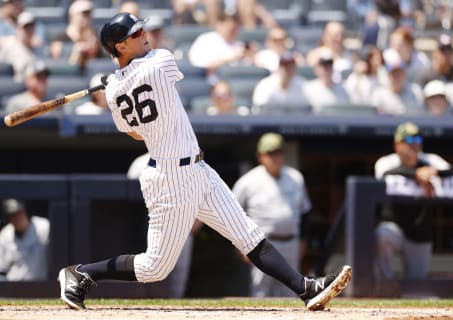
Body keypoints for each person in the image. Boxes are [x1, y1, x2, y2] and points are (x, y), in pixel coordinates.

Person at [57, 13, 351, 311]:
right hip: (171, 178)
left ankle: (305, 288)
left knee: (248, 235)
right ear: (120, 47)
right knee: (153, 268)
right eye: (135, 34)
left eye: (142, 29)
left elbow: (135, 134)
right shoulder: (160, 60)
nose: (145, 33)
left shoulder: (114, 92)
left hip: (197, 169)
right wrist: (125, 77)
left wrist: (120, 81)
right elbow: (148, 80)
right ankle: (82, 273)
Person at [232, 132, 312, 297]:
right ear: (260, 156)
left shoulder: (296, 177)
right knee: (260, 292)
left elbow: (305, 212)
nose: (275, 157)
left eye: (278, 152)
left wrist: (303, 241)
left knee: (292, 292)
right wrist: (239, 246)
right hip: (261, 245)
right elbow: (232, 215)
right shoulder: (247, 181)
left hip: (291, 242)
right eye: (270, 153)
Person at [374, 122, 453, 279]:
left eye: (418, 139)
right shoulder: (386, 162)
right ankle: (386, 281)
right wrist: (416, 174)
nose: (415, 144)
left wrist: (434, 171)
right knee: (382, 234)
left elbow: (452, 171)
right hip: (395, 227)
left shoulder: (430, 160)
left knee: (417, 286)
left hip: (420, 231)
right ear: (397, 145)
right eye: (409, 140)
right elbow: (383, 175)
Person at [127, 152, 204, 298]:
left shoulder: (191, 159)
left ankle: (175, 308)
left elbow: (204, 192)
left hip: (182, 223)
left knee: (179, 275)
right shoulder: (140, 162)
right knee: (148, 269)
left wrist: (197, 223)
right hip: (152, 224)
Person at [0, 198, 50, 281]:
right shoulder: (5, 234)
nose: (17, 219)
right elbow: (2, 268)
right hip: (13, 288)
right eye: (13, 216)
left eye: (19, 214)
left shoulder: (44, 227)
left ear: (26, 213)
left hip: (40, 286)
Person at [49, 0, 101, 68]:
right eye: (84, 13)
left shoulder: (96, 37)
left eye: (89, 13)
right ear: (72, 16)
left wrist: (94, 52)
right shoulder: (59, 39)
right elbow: (58, 67)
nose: (88, 17)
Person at [370, 49, 423, 115]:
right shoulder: (379, 93)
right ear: (389, 76)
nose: (397, 77)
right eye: (394, 74)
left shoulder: (415, 91)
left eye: (399, 74)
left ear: (404, 75)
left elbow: (419, 116)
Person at [0, 11, 47, 82]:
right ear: (18, 29)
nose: (28, 31)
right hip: (15, 87)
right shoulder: (9, 45)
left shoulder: (39, 48)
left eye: (31, 27)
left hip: (35, 87)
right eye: (25, 28)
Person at [302, 48, 351, 114]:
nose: (327, 69)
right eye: (323, 65)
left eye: (329, 65)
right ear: (316, 68)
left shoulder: (343, 89)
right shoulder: (308, 89)